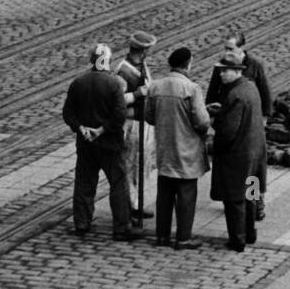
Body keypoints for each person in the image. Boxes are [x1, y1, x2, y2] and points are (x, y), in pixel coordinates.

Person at [62, 43, 135, 240]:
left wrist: (81, 128)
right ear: (108, 61)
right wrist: (101, 130)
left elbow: (68, 113)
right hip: (110, 144)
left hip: (86, 143)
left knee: (85, 183)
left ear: (91, 60)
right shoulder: (114, 84)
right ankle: (121, 226)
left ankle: (82, 223)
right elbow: (119, 115)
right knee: (118, 184)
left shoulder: (79, 82)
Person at [145, 46, 211, 251]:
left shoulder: (155, 87)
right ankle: (183, 238)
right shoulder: (192, 89)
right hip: (187, 150)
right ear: (188, 64)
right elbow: (201, 122)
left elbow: (149, 117)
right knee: (186, 194)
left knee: (164, 195)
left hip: (165, 148)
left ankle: (162, 236)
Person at [209, 52, 267, 252]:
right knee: (252, 194)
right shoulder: (250, 87)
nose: (222, 75)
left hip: (238, 157)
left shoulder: (234, 95)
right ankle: (250, 233)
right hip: (256, 154)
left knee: (235, 198)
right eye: (221, 71)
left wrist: (216, 125)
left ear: (237, 71)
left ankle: (237, 239)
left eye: (225, 71)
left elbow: (228, 132)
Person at [115, 31, 157, 224]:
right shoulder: (123, 70)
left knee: (144, 165)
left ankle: (138, 203)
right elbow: (117, 100)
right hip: (132, 124)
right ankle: (131, 205)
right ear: (142, 50)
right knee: (131, 165)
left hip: (145, 123)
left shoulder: (143, 66)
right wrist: (137, 94)